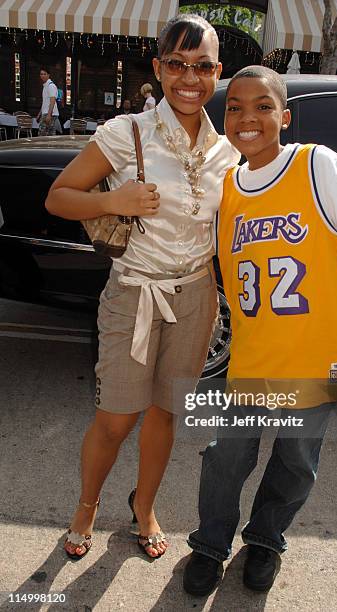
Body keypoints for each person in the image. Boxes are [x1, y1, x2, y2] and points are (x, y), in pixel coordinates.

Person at [183, 65, 337, 595]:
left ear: (285, 116)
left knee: (297, 459)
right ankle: (209, 544)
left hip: (321, 354)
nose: (248, 117)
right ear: (224, 118)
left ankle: (266, 539)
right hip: (254, 357)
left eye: (263, 106)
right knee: (226, 454)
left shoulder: (316, 163)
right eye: (235, 107)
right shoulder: (227, 188)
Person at [45, 14, 239, 560]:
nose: (188, 78)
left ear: (216, 73)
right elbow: (59, 197)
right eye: (176, 64)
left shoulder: (226, 153)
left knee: (165, 412)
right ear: (158, 67)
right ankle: (86, 506)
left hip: (197, 296)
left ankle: (145, 505)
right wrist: (113, 200)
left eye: (201, 67)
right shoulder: (126, 133)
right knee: (116, 418)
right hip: (134, 292)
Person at [37, 68, 60, 136]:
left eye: (44, 74)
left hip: (49, 113)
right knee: (50, 134)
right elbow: (45, 102)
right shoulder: (46, 86)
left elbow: (52, 101)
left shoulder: (51, 86)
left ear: (48, 75)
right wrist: (39, 114)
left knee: (42, 134)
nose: (43, 76)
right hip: (47, 113)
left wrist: (49, 115)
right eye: (41, 74)